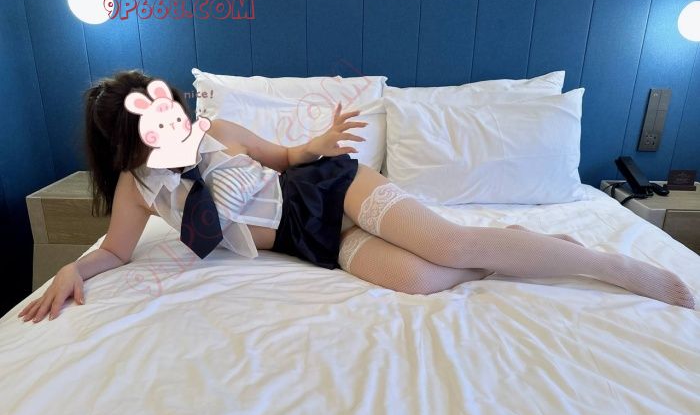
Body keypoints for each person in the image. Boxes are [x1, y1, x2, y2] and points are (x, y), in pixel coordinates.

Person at [18, 70, 695, 323]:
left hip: (331, 189)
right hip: (309, 240)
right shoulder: (138, 189)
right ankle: (521, 250)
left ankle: (609, 265)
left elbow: (285, 159)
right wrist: (75, 266)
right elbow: (117, 251)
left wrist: (320, 141)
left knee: (448, 242)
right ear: (123, 148)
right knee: (420, 280)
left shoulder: (214, 131)